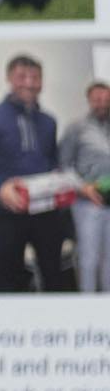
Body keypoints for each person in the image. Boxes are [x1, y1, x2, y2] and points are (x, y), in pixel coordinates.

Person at [0, 51, 74, 293]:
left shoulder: (49, 121)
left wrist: (61, 179)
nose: (30, 82)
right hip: (2, 215)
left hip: (45, 214)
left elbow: (51, 160)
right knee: (8, 283)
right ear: (9, 78)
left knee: (54, 276)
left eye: (36, 77)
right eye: (22, 76)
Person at [63, 81, 110, 295]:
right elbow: (64, 166)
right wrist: (84, 188)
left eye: (106, 99)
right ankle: (88, 305)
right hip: (86, 204)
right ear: (89, 100)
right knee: (89, 258)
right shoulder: (76, 127)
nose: (102, 103)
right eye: (97, 99)